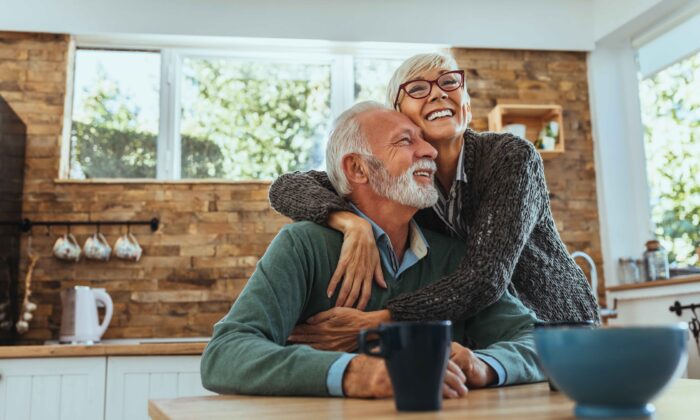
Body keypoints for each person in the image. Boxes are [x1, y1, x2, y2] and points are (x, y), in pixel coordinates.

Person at [201, 102, 544, 398]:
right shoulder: (303, 246)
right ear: (357, 168)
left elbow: (538, 342)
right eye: (406, 141)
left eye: (424, 140)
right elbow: (225, 354)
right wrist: (356, 373)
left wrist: (482, 364)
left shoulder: (454, 257)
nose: (430, 151)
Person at [268, 53, 598, 351]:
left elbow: (485, 278)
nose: (438, 92)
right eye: (417, 89)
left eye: (449, 82)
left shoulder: (511, 158)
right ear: (399, 115)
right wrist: (350, 222)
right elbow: (287, 186)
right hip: (482, 340)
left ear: (466, 104)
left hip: (556, 327)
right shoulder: (403, 182)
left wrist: (380, 320)